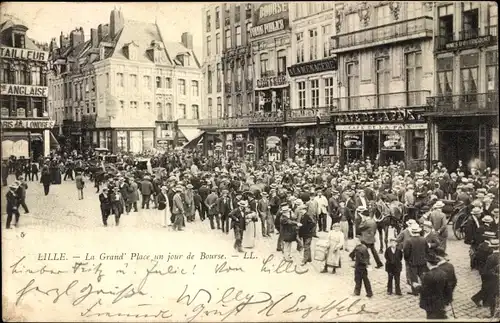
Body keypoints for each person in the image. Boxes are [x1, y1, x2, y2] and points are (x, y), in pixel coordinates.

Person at [417, 252, 449, 319]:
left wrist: (417, 286)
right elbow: (448, 289)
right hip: (440, 302)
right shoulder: (443, 273)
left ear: (428, 264)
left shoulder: (427, 275)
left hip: (430, 304)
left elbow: (424, 290)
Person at [404, 223, 428, 295]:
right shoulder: (423, 239)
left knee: (413, 277)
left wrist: (407, 260)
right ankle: (425, 289)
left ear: (412, 232)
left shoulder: (409, 241)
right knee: (422, 276)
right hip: (422, 261)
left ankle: (415, 291)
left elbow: (406, 253)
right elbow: (427, 250)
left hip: (412, 262)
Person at [483, 239, 499, 318]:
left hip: (493, 281)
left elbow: (486, 271)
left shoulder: (491, 257)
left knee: (492, 297)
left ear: (492, 248)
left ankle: (492, 314)